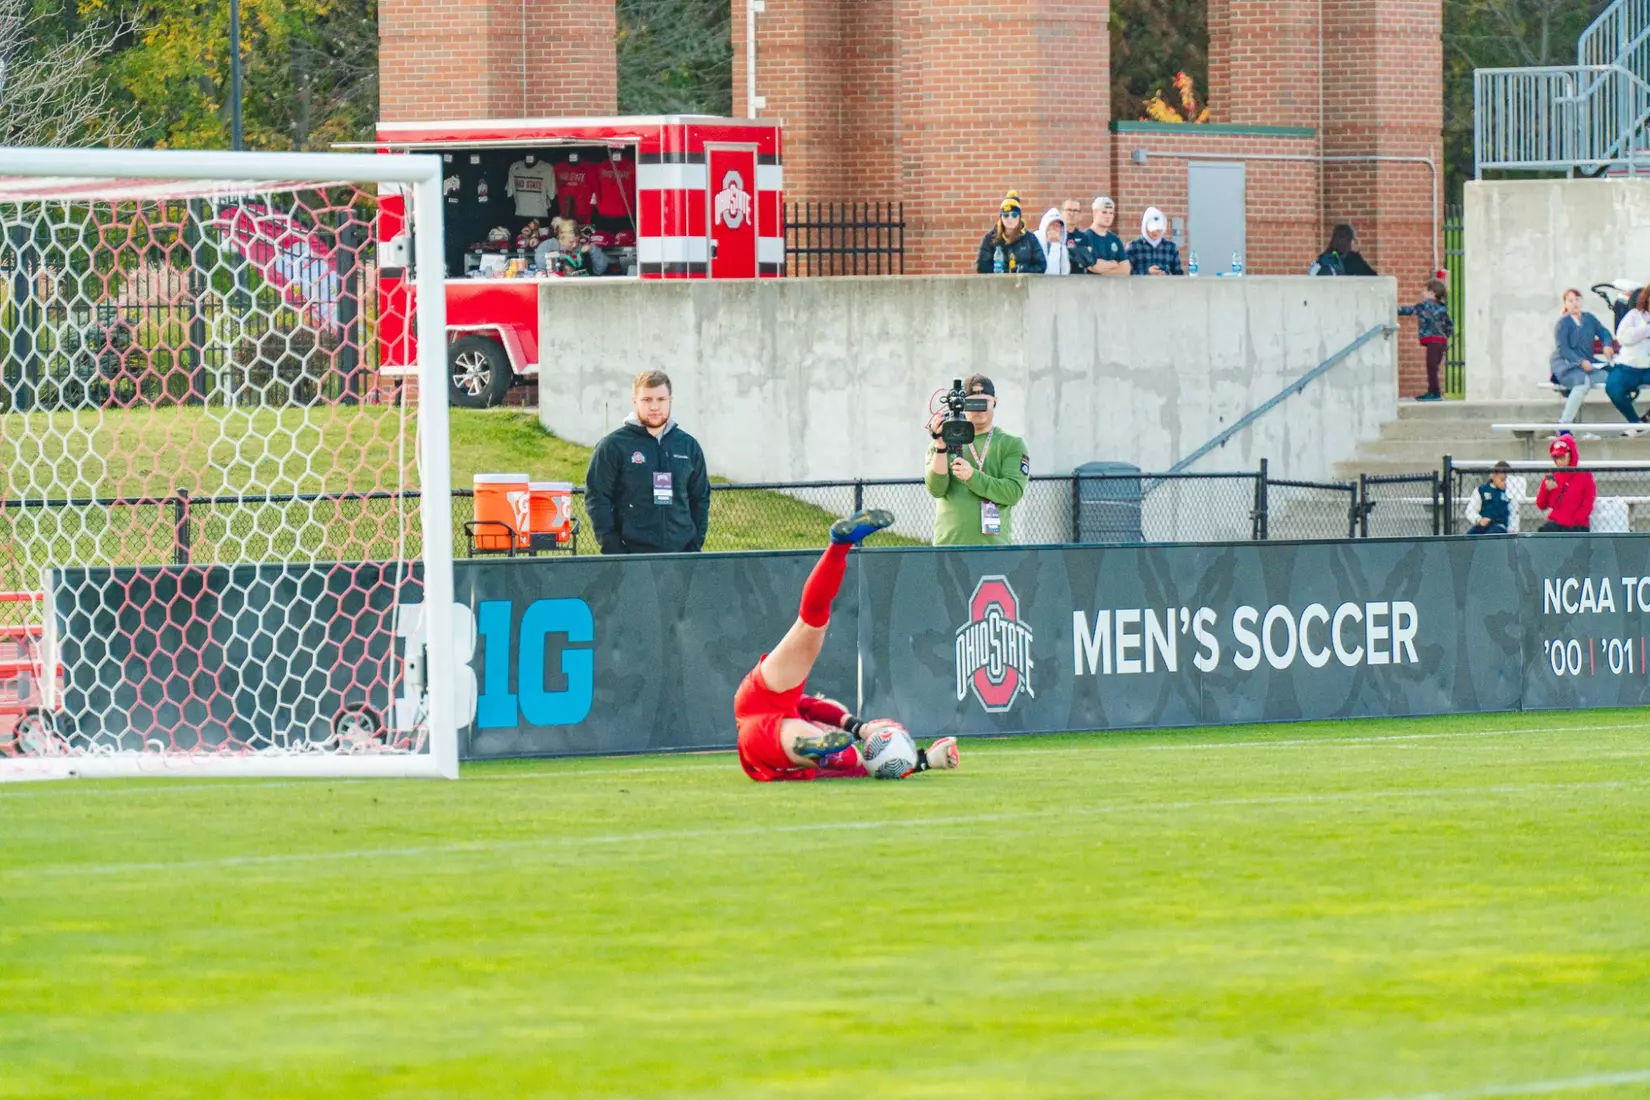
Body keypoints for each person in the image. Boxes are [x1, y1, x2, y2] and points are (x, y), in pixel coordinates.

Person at [733, 509, 960, 782]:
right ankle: (814, 748)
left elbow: (821, 710)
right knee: (842, 751)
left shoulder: (836, 735)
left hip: (759, 708)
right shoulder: (853, 752)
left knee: (810, 624)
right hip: (769, 723)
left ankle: (838, 547)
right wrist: (867, 733)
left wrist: (863, 730)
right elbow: (823, 713)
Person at [584, 370, 711, 554]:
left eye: (661, 399)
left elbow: (700, 498)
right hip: (631, 558)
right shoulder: (612, 446)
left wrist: (693, 545)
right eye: (647, 400)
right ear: (635, 401)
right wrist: (614, 549)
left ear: (670, 401)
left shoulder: (688, 446)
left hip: (683, 558)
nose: (654, 406)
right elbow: (597, 497)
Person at [924, 374, 1030, 546]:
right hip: (948, 548)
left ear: (994, 401)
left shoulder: (1012, 444)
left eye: (984, 402)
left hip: (994, 549)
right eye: (972, 403)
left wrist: (972, 477)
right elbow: (936, 489)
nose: (978, 409)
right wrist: (940, 445)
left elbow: (1013, 493)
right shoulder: (943, 440)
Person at [1551, 288, 1616, 424]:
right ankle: (1564, 423)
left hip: (1589, 363)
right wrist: (1580, 361)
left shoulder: (1589, 318)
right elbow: (1563, 348)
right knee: (1582, 383)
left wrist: (1607, 344)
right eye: (1571, 300)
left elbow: (1604, 332)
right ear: (1565, 304)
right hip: (1567, 364)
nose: (1575, 303)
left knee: (1613, 377)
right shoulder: (1562, 323)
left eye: (1577, 299)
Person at [1397, 278, 1454, 401]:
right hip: (1441, 342)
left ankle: (1435, 394)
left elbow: (1409, 310)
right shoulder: (1443, 308)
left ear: (1432, 293)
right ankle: (1433, 392)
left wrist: (1394, 310)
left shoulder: (1424, 306)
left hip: (1433, 341)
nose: (1422, 293)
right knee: (1434, 367)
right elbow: (1450, 325)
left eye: (1425, 291)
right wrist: (1445, 335)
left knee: (1431, 367)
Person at [1607, 284, 1650, 426]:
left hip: (1648, 369)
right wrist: (1646, 330)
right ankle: (1635, 423)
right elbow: (1623, 337)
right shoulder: (1633, 315)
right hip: (1628, 366)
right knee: (1613, 388)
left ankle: (1648, 418)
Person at [1535, 435, 1596, 532]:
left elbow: (1587, 504)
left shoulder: (1585, 475)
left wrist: (1573, 521)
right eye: (1556, 457)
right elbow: (1541, 505)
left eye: (1562, 457)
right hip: (1556, 524)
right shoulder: (1552, 475)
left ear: (1571, 454)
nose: (1559, 461)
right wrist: (1546, 490)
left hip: (1577, 525)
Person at [974, 193, 1045, 274]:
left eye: (1014, 215)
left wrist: (1023, 269)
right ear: (1001, 218)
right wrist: (1003, 271)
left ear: (1020, 217)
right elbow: (982, 266)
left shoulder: (1030, 238)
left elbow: (1041, 266)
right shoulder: (990, 238)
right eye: (1006, 215)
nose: (1010, 219)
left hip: (1022, 284)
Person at [1070, 196, 1130, 277]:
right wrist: (1114, 264)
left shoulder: (1115, 239)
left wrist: (1104, 272)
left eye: (1111, 213)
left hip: (1112, 288)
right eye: (1104, 212)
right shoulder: (1083, 238)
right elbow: (1094, 267)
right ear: (1094, 213)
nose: (1108, 216)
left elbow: (1126, 269)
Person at [1126, 207, 1182, 276]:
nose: (1156, 232)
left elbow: (1179, 274)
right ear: (1145, 226)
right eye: (1152, 228)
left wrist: (1167, 275)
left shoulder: (1171, 248)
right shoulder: (1133, 247)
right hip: (1142, 286)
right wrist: (1146, 272)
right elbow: (1126, 274)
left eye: (1158, 229)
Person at [1309, 223, 1378, 277]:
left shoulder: (1325, 256)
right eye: (1353, 239)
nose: (1354, 242)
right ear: (1348, 240)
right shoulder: (1354, 258)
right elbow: (1373, 277)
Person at [1468, 461, 1513, 535]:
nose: (1505, 483)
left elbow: (1514, 515)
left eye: (1507, 480)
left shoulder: (1510, 493)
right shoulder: (1481, 490)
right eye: (1502, 480)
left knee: (1491, 535)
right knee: (1469, 537)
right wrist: (1479, 520)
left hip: (1500, 528)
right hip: (1483, 526)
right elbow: (1470, 511)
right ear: (1494, 476)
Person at [1036, 208, 1071, 275]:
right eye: (1051, 225)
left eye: (1057, 226)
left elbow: (1065, 271)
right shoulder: (1035, 241)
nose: (1054, 228)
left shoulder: (1061, 247)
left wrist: (1055, 245)